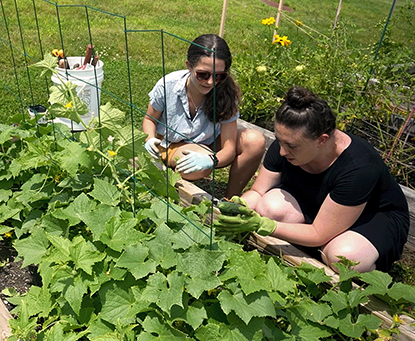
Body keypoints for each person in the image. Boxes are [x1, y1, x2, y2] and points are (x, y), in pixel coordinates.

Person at [214, 86, 410, 273]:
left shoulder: (359, 167)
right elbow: (259, 192)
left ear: (322, 140)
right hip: (319, 206)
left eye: (291, 146)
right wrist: (236, 207)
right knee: (270, 207)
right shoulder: (288, 142)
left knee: (344, 258)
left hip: (371, 217)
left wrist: (263, 225)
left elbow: (319, 233)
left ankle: (368, 276)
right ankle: (308, 253)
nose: (282, 151)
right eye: (279, 140)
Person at [142, 33, 266, 198]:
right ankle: (173, 174)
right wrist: (150, 138)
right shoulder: (168, 85)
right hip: (172, 143)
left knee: (255, 141)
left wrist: (211, 160)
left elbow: (229, 148)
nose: (210, 82)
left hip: (208, 142)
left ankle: (229, 199)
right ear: (189, 66)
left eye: (218, 76)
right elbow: (150, 119)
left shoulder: (226, 92)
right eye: (203, 74)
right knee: (198, 163)